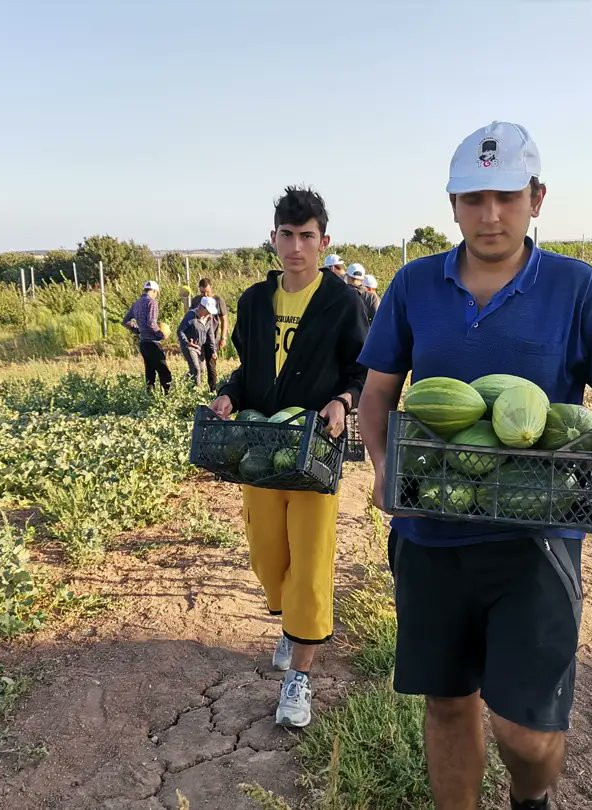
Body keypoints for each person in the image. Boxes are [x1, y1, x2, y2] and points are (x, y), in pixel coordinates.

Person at [356, 121, 592, 810]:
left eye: (507, 197)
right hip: (430, 534)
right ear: (453, 204)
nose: (490, 214)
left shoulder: (580, 289)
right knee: (449, 704)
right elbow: (377, 395)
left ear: (537, 198)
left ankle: (531, 799)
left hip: (535, 538)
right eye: (473, 198)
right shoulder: (413, 284)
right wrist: (380, 464)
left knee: (527, 730)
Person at [210, 186, 368, 728]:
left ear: (325, 242)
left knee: (311, 558)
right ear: (273, 238)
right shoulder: (255, 302)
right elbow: (248, 367)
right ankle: (289, 620)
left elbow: (361, 370)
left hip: (315, 450)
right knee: (266, 555)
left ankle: (299, 673)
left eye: (307, 236)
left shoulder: (342, 303)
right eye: (287, 235)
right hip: (260, 449)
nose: (296, 246)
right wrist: (231, 392)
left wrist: (344, 401)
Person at [122, 280, 171, 393]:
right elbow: (151, 323)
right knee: (164, 372)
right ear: (154, 291)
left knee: (150, 373)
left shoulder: (137, 303)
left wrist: (138, 330)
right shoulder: (152, 303)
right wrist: (161, 335)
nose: (156, 296)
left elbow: (125, 321)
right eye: (156, 293)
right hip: (153, 342)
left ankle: (149, 397)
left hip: (143, 342)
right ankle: (167, 397)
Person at [190, 278, 230, 390]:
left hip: (213, 338)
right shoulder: (196, 300)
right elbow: (190, 316)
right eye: (202, 292)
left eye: (207, 291)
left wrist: (223, 337)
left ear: (211, 288)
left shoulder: (218, 300)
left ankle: (213, 390)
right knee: (197, 365)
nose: (205, 295)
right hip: (198, 338)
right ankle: (195, 388)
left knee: (211, 365)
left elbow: (224, 319)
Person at [177, 296, 219, 389]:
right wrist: (186, 342)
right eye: (208, 311)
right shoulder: (191, 316)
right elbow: (180, 331)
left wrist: (213, 351)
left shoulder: (209, 318)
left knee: (202, 370)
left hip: (199, 347)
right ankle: (197, 391)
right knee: (196, 369)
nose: (209, 313)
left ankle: (182, 381)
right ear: (201, 307)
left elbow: (210, 335)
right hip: (189, 346)